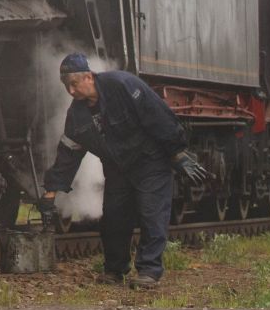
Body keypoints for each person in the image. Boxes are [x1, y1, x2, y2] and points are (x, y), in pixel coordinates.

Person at [39, 52, 209, 289]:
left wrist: (176, 152)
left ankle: (149, 270)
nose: (70, 91)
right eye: (66, 86)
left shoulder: (123, 85)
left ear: (88, 77)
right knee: (114, 219)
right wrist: (51, 192)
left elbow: (157, 116)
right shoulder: (76, 115)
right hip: (118, 168)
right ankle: (114, 270)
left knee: (152, 214)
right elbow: (68, 153)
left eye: (74, 84)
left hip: (150, 162)